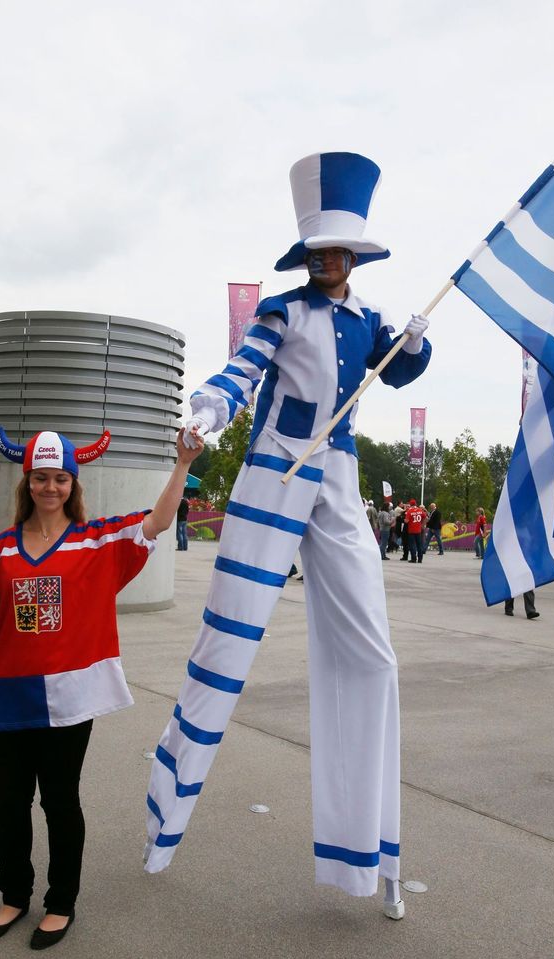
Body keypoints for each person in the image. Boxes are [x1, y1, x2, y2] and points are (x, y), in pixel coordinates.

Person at [144, 151, 432, 917]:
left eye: (340, 250)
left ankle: (376, 856)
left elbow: (400, 373)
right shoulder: (283, 312)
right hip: (274, 470)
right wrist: (207, 410)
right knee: (225, 640)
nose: (329, 259)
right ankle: (165, 809)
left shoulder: (365, 320)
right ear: (308, 255)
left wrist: (415, 342)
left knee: (374, 658)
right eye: (320, 250)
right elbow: (241, 371)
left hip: (335, 481)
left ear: (354, 255)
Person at [0, 426, 203, 949]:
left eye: (60, 478)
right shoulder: (1, 549)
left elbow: (157, 521)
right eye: (41, 478)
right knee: (9, 802)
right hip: (8, 696)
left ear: (73, 483)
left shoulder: (98, 541)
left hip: (69, 700)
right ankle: (13, 895)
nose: (50, 487)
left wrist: (181, 464)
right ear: (28, 482)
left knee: (61, 801)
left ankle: (61, 902)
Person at [402, 498, 425, 563]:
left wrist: (404, 520)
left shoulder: (410, 511)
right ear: (416, 504)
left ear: (410, 504)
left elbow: (406, 521)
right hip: (418, 530)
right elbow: (425, 517)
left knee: (412, 545)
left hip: (411, 530)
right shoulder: (420, 510)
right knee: (419, 545)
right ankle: (420, 559)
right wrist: (422, 525)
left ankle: (413, 558)